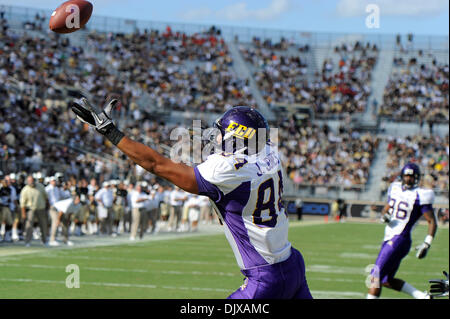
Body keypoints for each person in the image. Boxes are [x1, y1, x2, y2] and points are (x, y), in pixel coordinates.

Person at [71, 99, 312, 299]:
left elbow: (157, 164)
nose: (217, 139)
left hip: (264, 278)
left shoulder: (226, 170)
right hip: (292, 264)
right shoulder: (270, 152)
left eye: (222, 135)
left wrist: (110, 132)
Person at [367, 163, 437, 299]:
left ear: (417, 178)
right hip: (389, 237)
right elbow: (387, 208)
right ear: (402, 176)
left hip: (400, 238)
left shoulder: (421, 195)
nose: (408, 179)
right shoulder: (394, 187)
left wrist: (427, 243)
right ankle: (422, 297)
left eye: (411, 176)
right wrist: (384, 216)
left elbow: (432, 221)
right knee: (385, 280)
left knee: (375, 275)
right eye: (406, 175)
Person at [20, 175, 50, 247]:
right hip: (31, 209)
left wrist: (48, 207)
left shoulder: (40, 187)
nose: (31, 182)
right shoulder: (25, 190)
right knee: (29, 225)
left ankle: (44, 240)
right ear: (27, 182)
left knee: (43, 225)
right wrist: (23, 214)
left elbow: (46, 197)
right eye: (30, 181)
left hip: (41, 209)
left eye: (32, 180)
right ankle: (27, 241)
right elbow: (22, 204)